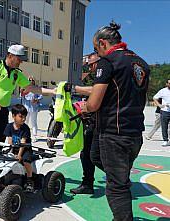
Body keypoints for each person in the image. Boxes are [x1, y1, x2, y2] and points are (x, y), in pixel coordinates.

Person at [68, 22, 150, 220]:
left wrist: (83, 107)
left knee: (116, 188)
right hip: (135, 133)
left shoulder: (108, 62)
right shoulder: (141, 63)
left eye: (96, 48)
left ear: (103, 43)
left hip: (114, 133)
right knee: (95, 155)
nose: (97, 53)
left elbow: (94, 103)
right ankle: (120, 177)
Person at [0, 44, 56, 171]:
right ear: (10, 56)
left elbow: (32, 88)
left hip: (2, 111)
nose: (21, 62)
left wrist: (52, 91)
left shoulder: (16, 74)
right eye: (19, 58)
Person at [70, 53, 100, 195]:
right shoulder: (97, 76)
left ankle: (121, 179)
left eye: (92, 64)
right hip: (94, 121)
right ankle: (87, 183)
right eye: (88, 65)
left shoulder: (108, 73)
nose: (91, 68)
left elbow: (97, 91)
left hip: (107, 124)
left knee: (99, 156)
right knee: (86, 153)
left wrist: (74, 88)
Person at [4, 104, 34, 191]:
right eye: (21, 116)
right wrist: (10, 151)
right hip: (14, 149)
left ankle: (29, 180)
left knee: (25, 162)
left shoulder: (25, 128)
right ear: (13, 116)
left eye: (25, 117)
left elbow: (23, 142)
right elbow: (9, 140)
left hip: (25, 149)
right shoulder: (9, 126)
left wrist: (19, 155)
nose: (23, 119)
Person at [21, 77, 42, 142]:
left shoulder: (36, 88)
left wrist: (36, 99)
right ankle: (24, 135)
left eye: (32, 80)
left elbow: (41, 96)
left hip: (34, 108)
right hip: (26, 108)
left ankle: (34, 136)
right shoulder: (25, 88)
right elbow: (22, 96)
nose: (31, 81)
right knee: (25, 122)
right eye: (29, 80)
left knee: (34, 123)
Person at [153, 79, 170, 146]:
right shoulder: (163, 91)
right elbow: (155, 98)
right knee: (164, 127)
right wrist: (159, 105)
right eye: (169, 83)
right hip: (165, 111)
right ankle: (165, 140)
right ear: (166, 84)